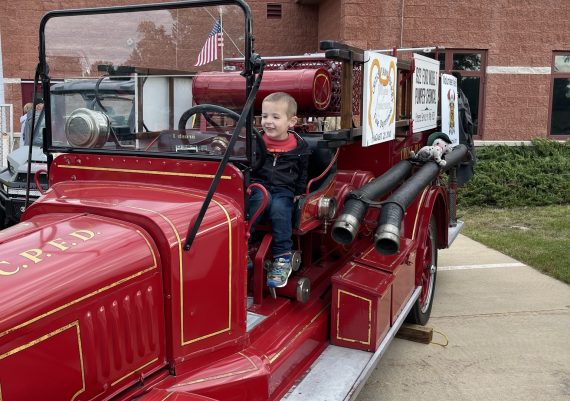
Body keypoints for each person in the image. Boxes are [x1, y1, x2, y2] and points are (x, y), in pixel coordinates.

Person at [249, 92, 309, 288]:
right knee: (258, 202)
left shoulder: (299, 148)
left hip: (284, 189)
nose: (268, 121)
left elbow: (303, 172)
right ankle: (243, 246)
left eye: (275, 117)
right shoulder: (256, 143)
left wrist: (300, 192)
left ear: (291, 121)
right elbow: (247, 166)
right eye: (265, 116)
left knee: (280, 210)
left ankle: (283, 256)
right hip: (259, 185)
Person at [451, 72, 475, 185]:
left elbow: (466, 122)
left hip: (458, 140)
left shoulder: (457, 96)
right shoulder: (460, 95)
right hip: (461, 139)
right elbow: (468, 123)